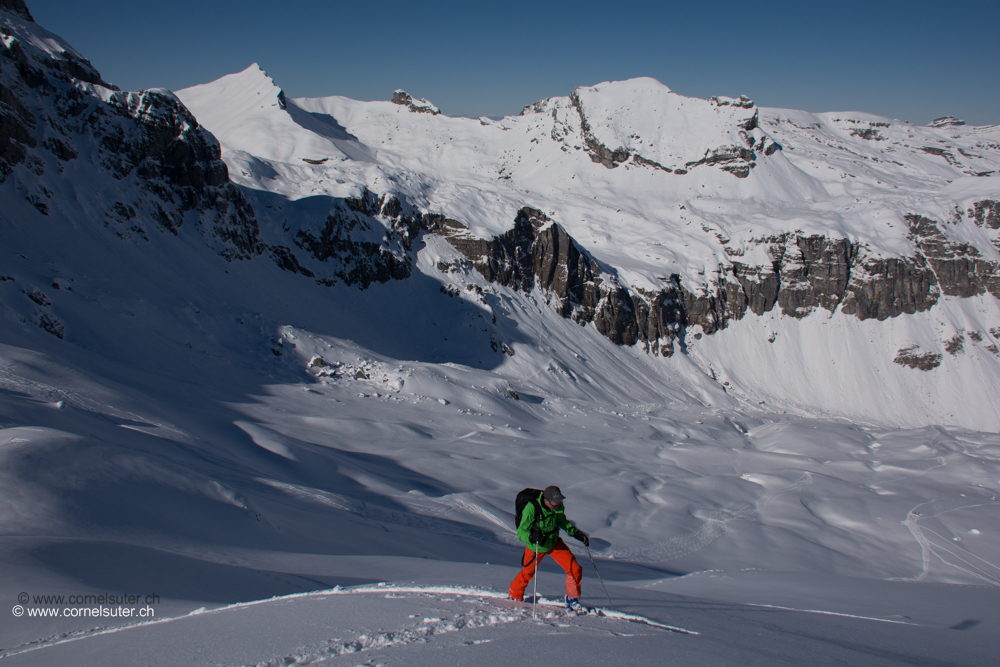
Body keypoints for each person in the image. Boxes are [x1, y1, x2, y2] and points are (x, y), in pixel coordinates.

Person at [508, 485, 589, 610]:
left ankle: (572, 599)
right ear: (546, 500)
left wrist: (575, 533)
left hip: (553, 542)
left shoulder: (558, 506)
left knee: (574, 568)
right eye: (555, 503)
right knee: (527, 574)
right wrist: (531, 537)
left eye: (559, 502)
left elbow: (562, 521)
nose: (558, 505)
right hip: (536, 546)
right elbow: (521, 531)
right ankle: (515, 594)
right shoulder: (531, 508)